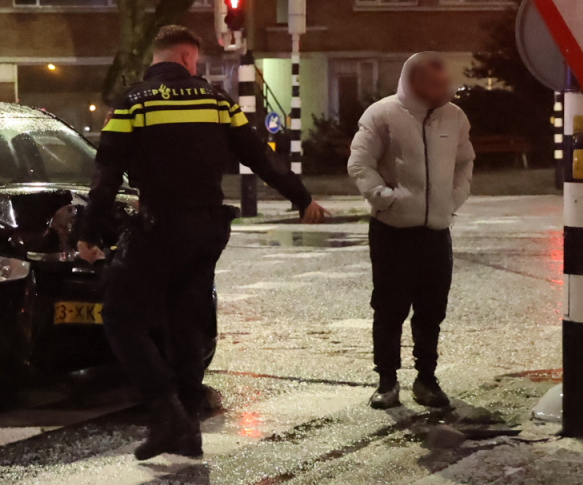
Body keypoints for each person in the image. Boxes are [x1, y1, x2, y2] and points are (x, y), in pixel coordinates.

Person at [75, 24, 329, 460]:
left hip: (161, 227)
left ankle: (167, 410)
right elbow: (259, 155)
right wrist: (301, 197)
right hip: (209, 230)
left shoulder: (134, 102)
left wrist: (89, 232)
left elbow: (107, 173)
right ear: (189, 58)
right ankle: (187, 427)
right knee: (186, 321)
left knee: (120, 313)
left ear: (159, 56)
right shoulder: (217, 101)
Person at [347, 52, 474, 412]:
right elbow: (360, 162)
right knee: (389, 308)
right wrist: (385, 199)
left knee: (432, 308)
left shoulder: (454, 117)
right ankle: (387, 381)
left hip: (436, 231)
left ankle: (427, 379)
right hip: (392, 232)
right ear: (414, 80)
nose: (442, 88)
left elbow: (465, 160)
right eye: (434, 82)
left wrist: (454, 199)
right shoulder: (382, 114)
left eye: (444, 81)